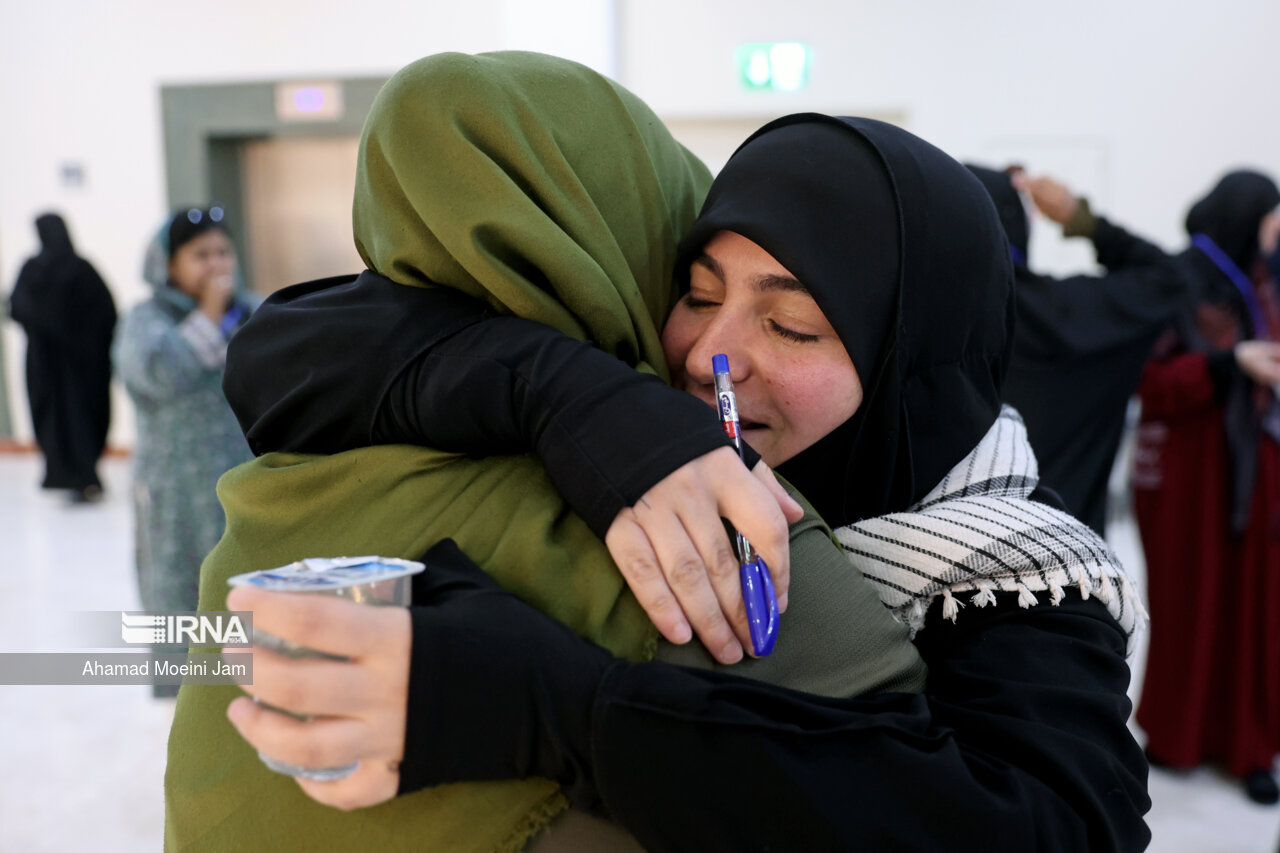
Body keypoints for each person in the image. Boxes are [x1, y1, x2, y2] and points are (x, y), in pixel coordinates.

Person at [173, 58, 1149, 851]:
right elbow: (292, 342)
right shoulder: (630, 461)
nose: (709, 355)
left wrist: (564, 707)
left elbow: (1051, 829)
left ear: (910, 364)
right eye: (693, 291)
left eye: (794, 324)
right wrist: (562, 387)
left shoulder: (1013, 577)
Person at [1132, 169, 1280, 805]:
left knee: (1257, 611)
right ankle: (1176, 737)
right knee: (1191, 603)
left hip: (1255, 474)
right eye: (1270, 217)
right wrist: (1230, 362)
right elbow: (1152, 382)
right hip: (1189, 476)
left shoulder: (1264, 285)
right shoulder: (1180, 286)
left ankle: (1250, 747)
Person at [966, 166, 1195, 535]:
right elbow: (1171, 279)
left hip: (946, 563)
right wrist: (1078, 217)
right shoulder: (1079, 314)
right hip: (1072, 566)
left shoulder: (918, 319)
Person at [112, 207, 256, 698]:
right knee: (180, 587)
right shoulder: (145, 321)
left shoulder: (250, 313)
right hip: (175, 489)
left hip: (241, 476)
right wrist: (209, 316)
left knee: (243, 580)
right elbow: (161, 374)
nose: (216, 265)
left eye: (223, 252)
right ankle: (189, 690)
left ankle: (246, 676)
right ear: (168, 266)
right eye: (200, 255)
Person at [7, 213, 116, 502]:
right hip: (79, 366)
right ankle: (80, 477)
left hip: (49, 365)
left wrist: (46, 328)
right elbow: (107, 313)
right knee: (79, 418)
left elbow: (17, 308)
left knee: (60, 419)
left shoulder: (34, 270)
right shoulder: (81, 269)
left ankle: (71, 475)